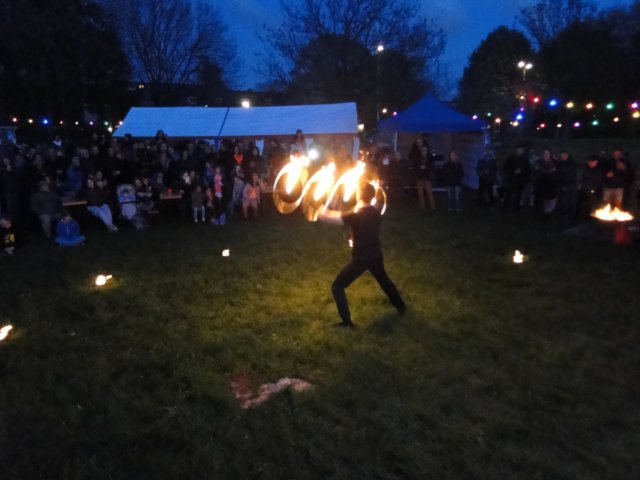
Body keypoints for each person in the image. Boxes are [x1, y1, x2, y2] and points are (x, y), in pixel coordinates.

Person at [320, 182, 406, 328]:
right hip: (376, 255)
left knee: (337, 286)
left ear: (359, 194)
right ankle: (401, 307)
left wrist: (321, 210)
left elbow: (328, 218)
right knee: (384, 281)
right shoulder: (377, 212)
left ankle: (346, 323)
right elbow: (379, 201)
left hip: (361, 259)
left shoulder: (355, 215)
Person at [501, 145, 531, 213]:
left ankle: (516, 208)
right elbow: (505, 169)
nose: (519, 152)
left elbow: (528, 171)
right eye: (518, 151)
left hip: (521, 181)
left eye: (521, 151)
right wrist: (513, 172)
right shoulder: (510, 159)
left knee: (518, 195)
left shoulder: (525, 160)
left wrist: (525, 176)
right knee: (508, 194)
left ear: (523, 152)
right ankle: (504, 208)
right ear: (515, 151)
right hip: (512, 180)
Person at [576, 155, 603, 219]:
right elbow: (582, 177)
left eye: (592, 162)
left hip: (591, 190)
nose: (590, 163)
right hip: (583, 189)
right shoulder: (586, 168)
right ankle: (576, 216)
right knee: (578, 203)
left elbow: (599, 181)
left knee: (589, 204)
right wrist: (580, 185)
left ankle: (588, 217)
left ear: (596, 162)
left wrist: (593, 189)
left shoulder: (598, 170)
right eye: (589, 161)